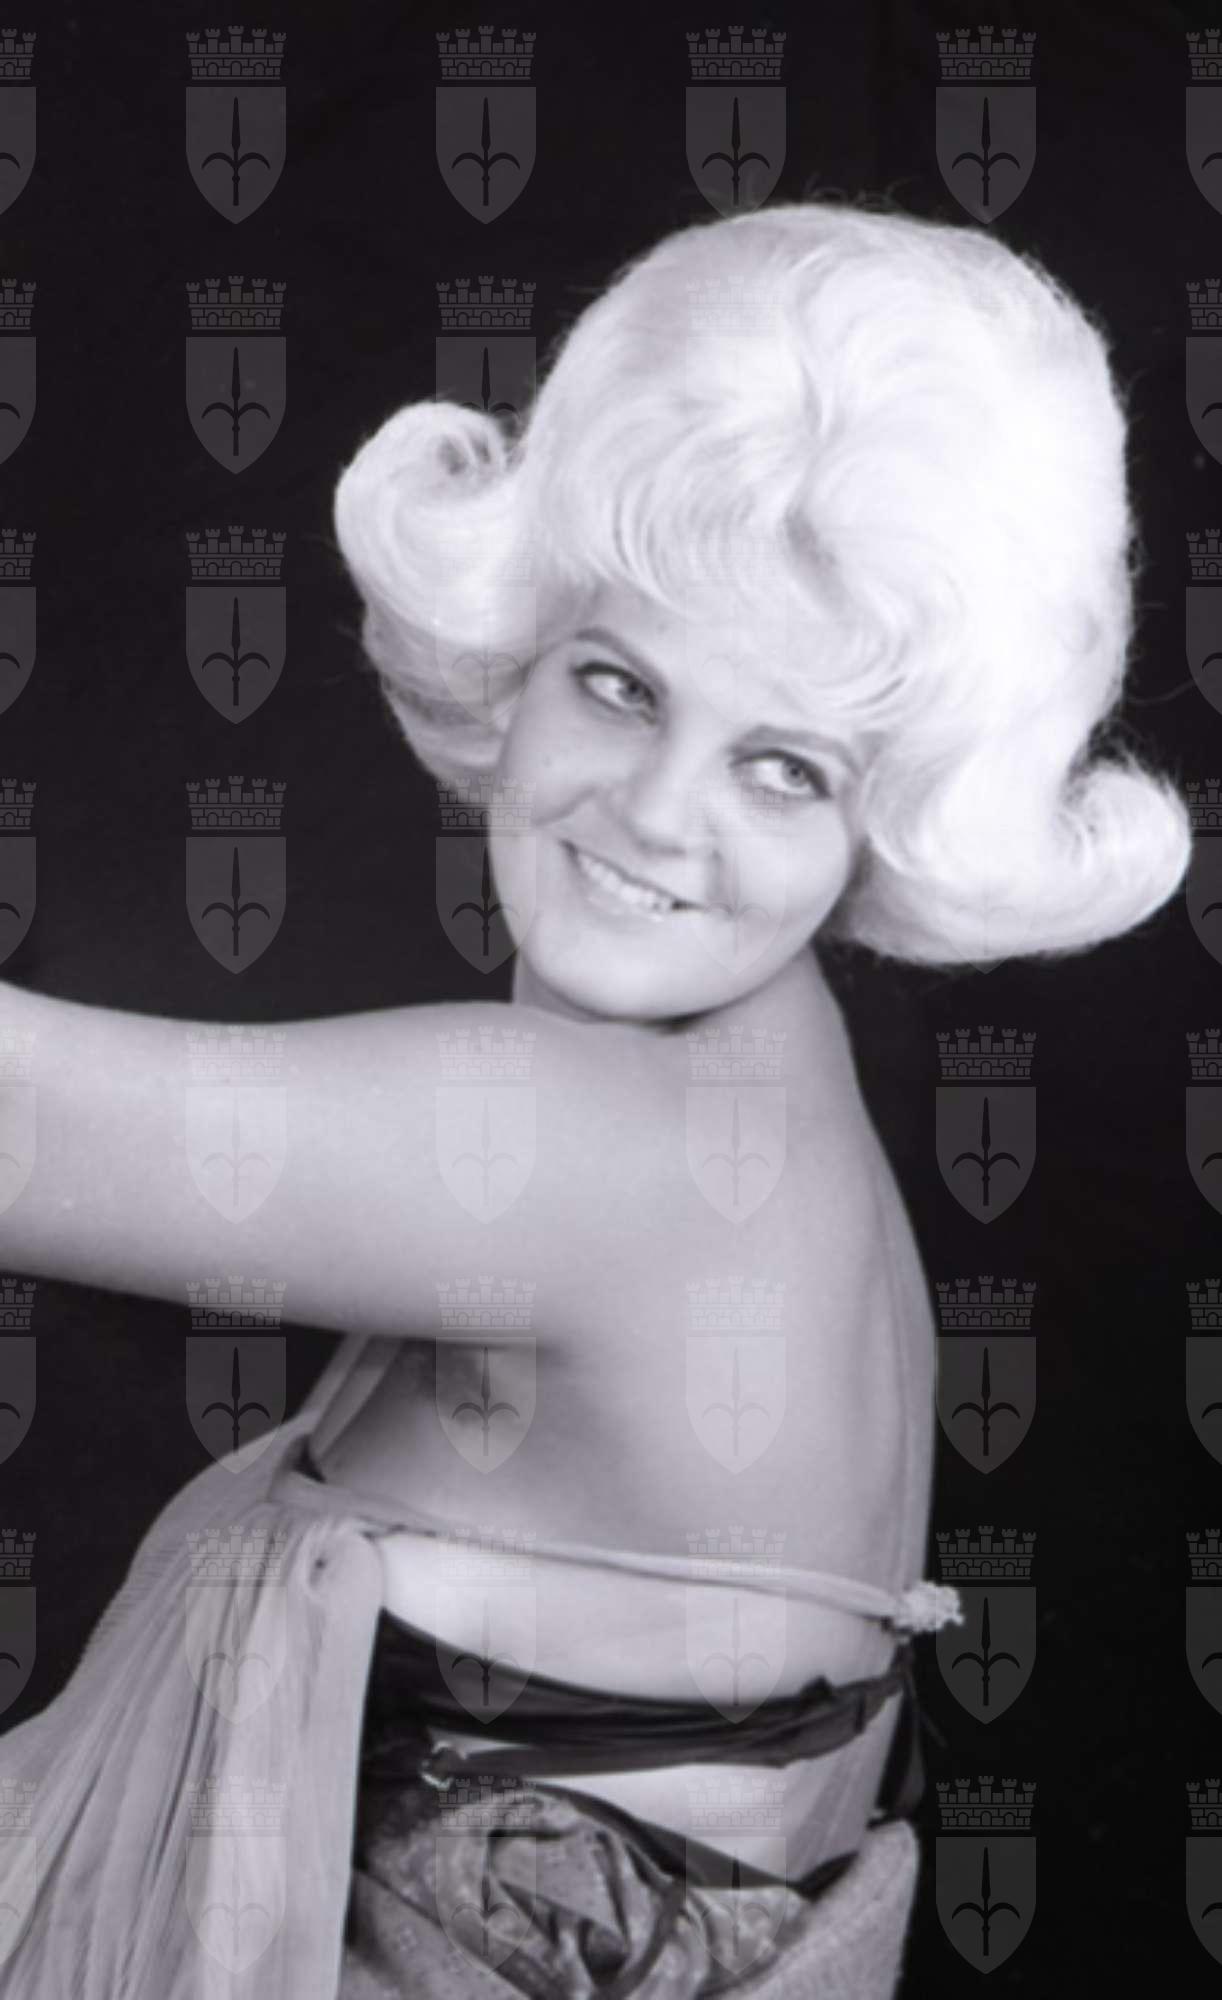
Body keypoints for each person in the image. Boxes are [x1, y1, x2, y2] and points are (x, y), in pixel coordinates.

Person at [0, 196, 1190, 1997]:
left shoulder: (612, 1158)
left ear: (887, 815)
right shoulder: (777, 1108)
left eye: (781, 768)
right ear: (516, 651)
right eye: (622, 685)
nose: (653, 812)